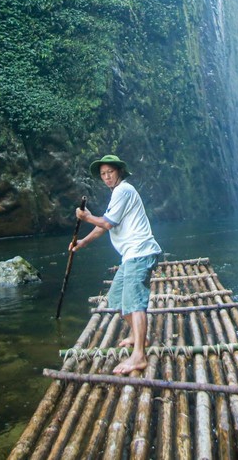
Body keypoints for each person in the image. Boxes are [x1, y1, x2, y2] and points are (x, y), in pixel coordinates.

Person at [71, 154, 162, 375]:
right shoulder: (117, 195)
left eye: (110, 172)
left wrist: (86, 217)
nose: (106, 177)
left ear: (119, 171)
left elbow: (106, 222)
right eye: (102, 174)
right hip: (130, 256)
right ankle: (137, 335)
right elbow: (104, 226)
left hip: (140, 253)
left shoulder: (124, 190)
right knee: (116, 298)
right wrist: (83, 242)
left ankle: (139, 356)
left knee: (133, 302)